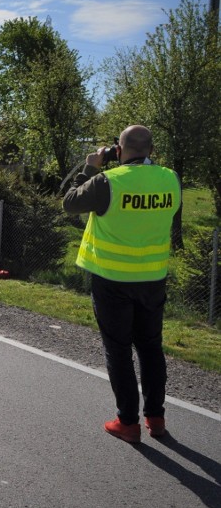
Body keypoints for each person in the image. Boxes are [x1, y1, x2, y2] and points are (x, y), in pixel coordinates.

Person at [63, 125, 181, 444]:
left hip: (112, 280)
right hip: (152, 278)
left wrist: (90, 167)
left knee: (118, 350)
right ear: (151, 150)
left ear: (119, 149)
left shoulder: (107, 182)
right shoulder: (171, 179)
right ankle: (155, 418)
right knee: (150, 347)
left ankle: (128, 422)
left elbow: (70, 202)